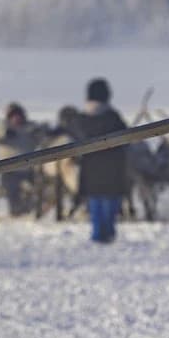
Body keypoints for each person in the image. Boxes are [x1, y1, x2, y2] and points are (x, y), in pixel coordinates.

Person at [64, 78, 130, 243]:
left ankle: (97, 235)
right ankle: (108, 234)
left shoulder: (81, 119)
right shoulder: (113, 116)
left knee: (95, 203)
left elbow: (73, 138)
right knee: (110, 203)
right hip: (113, 168)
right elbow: (126, 138)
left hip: (90, 167)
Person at [0, 102, 48, 216]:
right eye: (13, 116)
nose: (17, 118)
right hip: (9, 172)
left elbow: (44, 138)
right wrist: (4, 132)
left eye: (18, 115)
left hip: (29, 171)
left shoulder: (30, 128)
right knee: (12, 190)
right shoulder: (4, 128)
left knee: (42, 187)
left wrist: (39, 133)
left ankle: (32, 209)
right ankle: (17, 211)